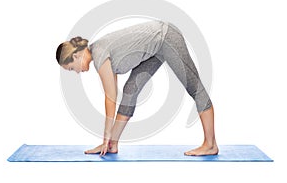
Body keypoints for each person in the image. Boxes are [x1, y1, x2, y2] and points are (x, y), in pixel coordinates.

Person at [56, 20, 218, 156]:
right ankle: (113, 144)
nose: (76, 72)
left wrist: (104, 137)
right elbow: (114, 93)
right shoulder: (100, 54)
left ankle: (210, 144)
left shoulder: (99, 54)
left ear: (76, 56)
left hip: (166, 37)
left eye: (71, 68)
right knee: (130, 90)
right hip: (156, 48)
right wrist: (108, 141)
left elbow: (110, 99)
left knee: (194, 88)